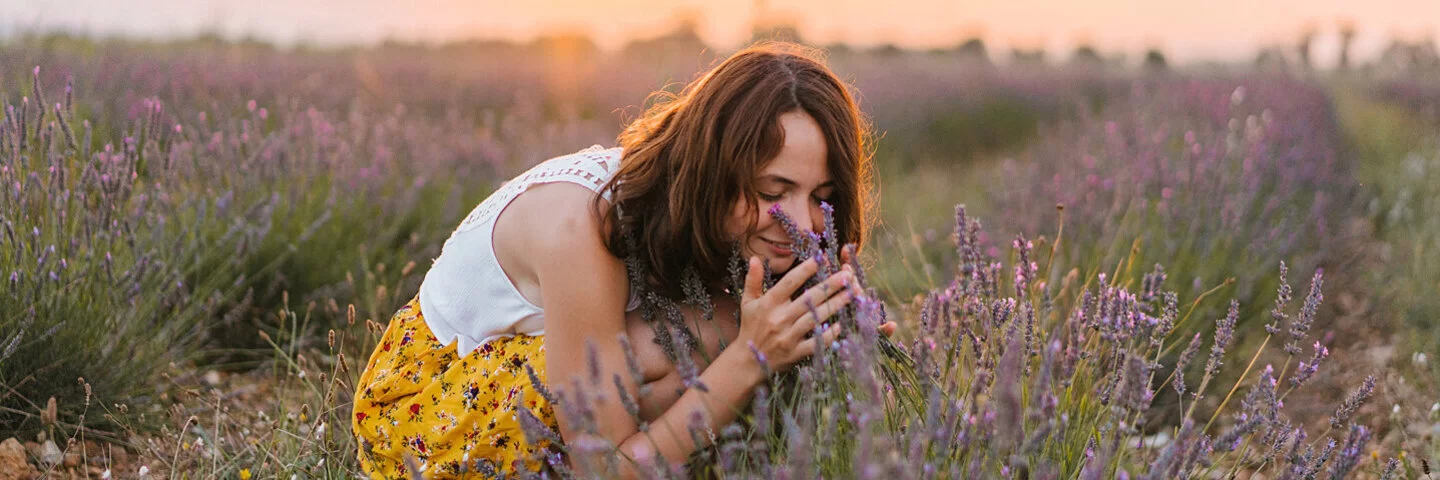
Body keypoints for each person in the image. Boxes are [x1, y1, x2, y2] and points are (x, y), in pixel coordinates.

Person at [351, 41, 893, 478]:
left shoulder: (696, 214)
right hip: (420, 418)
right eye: (774, 190)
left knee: (744, 330)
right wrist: (752, 357)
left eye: (821, 195)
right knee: (713, 337)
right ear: (712, 172)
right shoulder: (582, 227)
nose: (804, 222)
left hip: (524, 381)